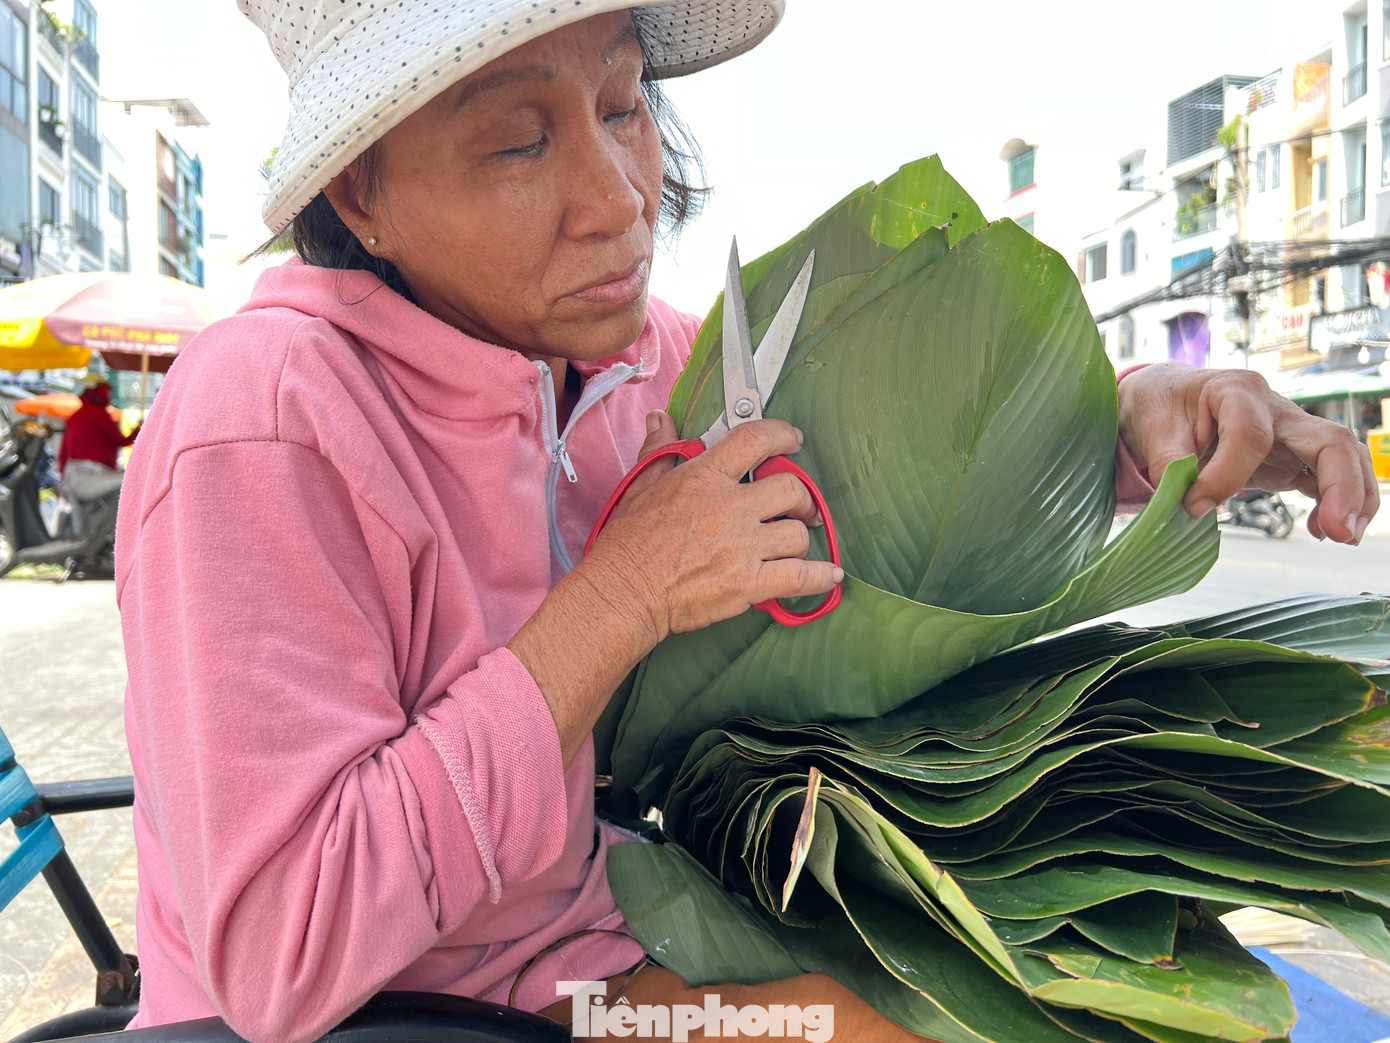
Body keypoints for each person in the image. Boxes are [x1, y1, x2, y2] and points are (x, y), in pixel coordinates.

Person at [115, 2, 1381, 1041]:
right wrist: (618, 600)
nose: (616, 197)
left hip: (629, 925)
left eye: (620, 108)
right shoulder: (264, 417)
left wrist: (1143, 421)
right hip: (441, 1007)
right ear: (362, 191)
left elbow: (893, 470)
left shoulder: (647, 364)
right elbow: (283, 950)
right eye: (517, 143)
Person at [56, 374, 137, 534]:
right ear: (93, 392)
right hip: (95, 475)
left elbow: (63, 454)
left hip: (74, 476)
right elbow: (121, 441)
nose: (108, 397)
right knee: (132, 480)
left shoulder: (74, 417)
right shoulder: (99, 415)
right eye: (106, 393)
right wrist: (140, 430)